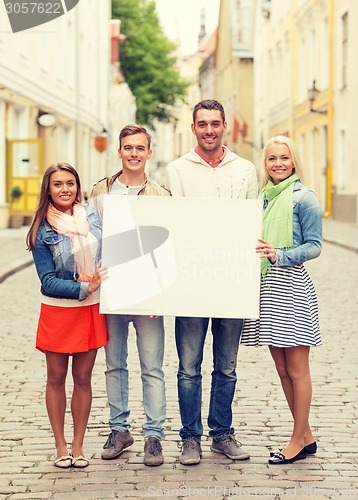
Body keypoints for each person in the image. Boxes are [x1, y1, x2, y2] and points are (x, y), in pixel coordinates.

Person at [166, 99, 258, 465]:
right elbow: (174, 226)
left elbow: (254, 224)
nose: (209, 130)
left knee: (227, 366)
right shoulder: (177, 170)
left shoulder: (246, 169)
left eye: (215, 124)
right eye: (202, 124)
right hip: (192, 282)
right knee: (189, 366)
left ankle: (222, 433)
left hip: (231, 281)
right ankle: (190, 438)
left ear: (225, 127)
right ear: (193, 128)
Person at [90, 124, 170, 466]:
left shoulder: (162, 196)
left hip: (149, 296)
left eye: (140, 148)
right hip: (112, 292)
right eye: (128, 148)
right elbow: (88, 238)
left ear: (149, 153)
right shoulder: (100, 192)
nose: (134, 153)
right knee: (114, 364)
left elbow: (169, 248)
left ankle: (154, 435)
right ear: (119, 152)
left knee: (152, 366)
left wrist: (163, 295)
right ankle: (119, 430)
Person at [241, 135, 322, 465]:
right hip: (265, 289)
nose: (278, 163)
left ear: (293, 161)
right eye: (272, 158)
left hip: (292, 289)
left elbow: (315, 246)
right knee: (281, 367)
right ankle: (306, 434)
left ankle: (296, 440)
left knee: (298, 369)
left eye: (284, 158)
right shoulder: (260, 198)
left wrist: (280, 254)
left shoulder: (305, 198)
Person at [26, 162, 108, 469]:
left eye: (70, 183)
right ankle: (60, 446)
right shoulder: (41, 230)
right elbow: (47, 282)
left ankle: (78, 445)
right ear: (48, 189)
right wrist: (83, 289)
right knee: (57, 377)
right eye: (58, 184)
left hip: (90, 309)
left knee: (84, 378)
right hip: (60, 311)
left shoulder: (92, 216)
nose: (65, 189)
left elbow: (110, 254)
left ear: (78, 186)